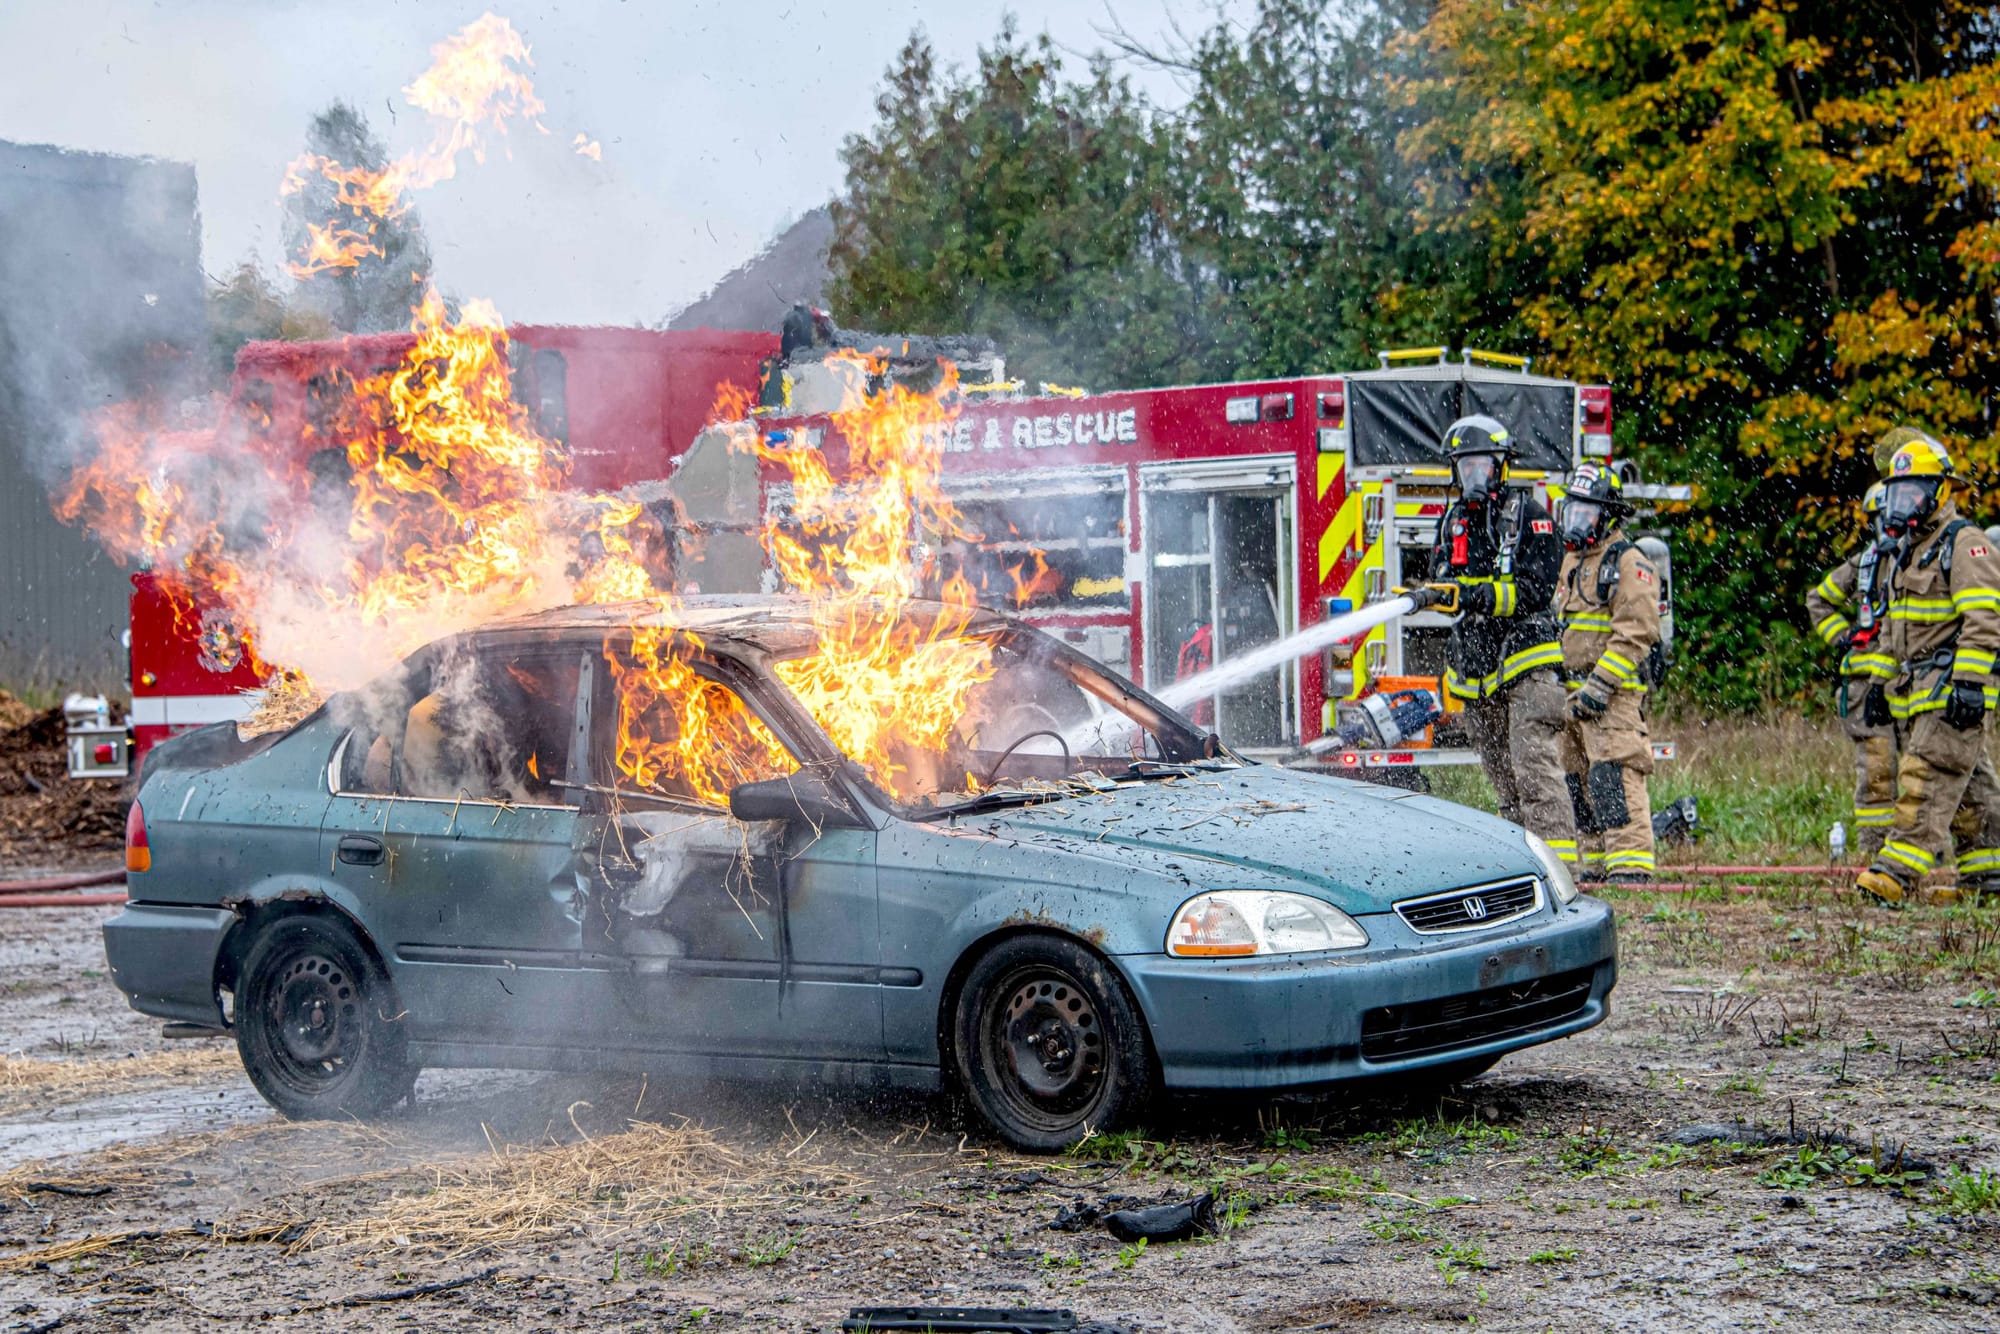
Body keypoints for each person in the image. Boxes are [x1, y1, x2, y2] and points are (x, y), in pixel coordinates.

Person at [1417, 415, 1578, 864]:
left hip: (1527, 666)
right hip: (1477, 673)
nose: (1474, 475)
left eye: (1482, 465)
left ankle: (1562, 870)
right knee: (1503, 780)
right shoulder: (1452, 522)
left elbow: (1534, 590)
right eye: (1465, 467)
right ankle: (1521, 869)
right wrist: (1436, 592)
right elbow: (1443, 577)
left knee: (1535, 773)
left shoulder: (1530, 518)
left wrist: (1474, 594)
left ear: (1500, 467)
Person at [1854, 430, 2000, 907]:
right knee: (1975, 794)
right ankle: (1989, 877)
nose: (1904, 503)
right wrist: (1879, 684)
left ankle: (1894, 873)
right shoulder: (1908, 553)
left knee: (1925, 775)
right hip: (1918, 691)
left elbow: (1985, 618)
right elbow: (1897, 633)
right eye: (1898, 493)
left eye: (1914, 491)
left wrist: (1971, 684)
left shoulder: (1964, 543)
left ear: (1940, 492)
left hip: (1953, 691)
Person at [1554, 463, 1662, 883]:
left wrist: (1599, 686)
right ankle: (1597, 861)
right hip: (1570, 693)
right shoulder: (1571, 562)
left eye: (1588, 512)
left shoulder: (1629, 562)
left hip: (1612, 696)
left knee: (1614, 775)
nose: (1578, 520)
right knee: (1578, 782)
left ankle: (1631, 865)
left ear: (1609, 514)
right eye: (1574, 511)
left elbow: (1637, 631)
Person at [1804, 481, 1900, 860]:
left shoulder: (1927, 561)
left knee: (1924, 775)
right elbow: (1819, 599)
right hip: (1866, 689)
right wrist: (1844, 638)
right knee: (1877, 777)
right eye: (1882, 518)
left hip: (1915, 684)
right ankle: (1877, 854)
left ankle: (1928, 855)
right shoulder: (1865, 563)